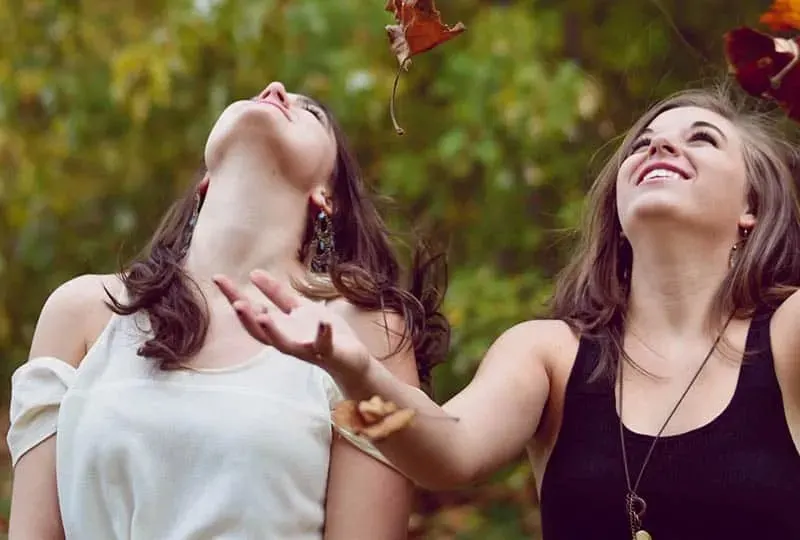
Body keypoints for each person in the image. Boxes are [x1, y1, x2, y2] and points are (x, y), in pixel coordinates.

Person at [216, 85, 800, 539]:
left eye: (702, 138)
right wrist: (351, 369)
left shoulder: (788, 337)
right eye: (644, 140)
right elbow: (442, 456)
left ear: (751, 205)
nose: (659, 145)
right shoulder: (547, 353)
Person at [6, 81, 449, 539]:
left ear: (327, 197)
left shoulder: (364, 335)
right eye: (264, 92)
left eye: (310, 112)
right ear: (205, 182)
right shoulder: (81, 315)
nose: (275, 89)